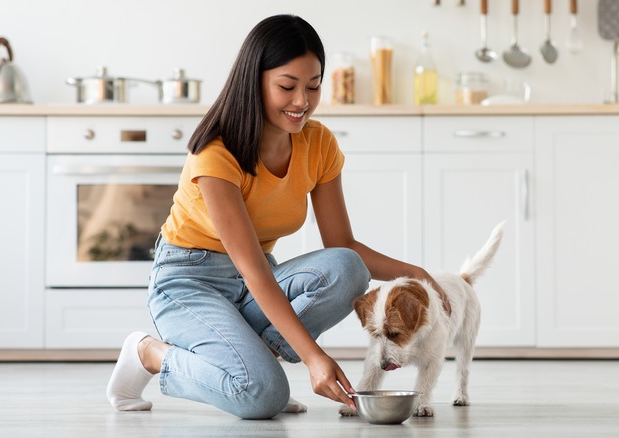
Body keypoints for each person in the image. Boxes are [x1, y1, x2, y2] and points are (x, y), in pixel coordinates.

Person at [106, 14, 443, 420]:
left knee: (347, 268)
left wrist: (420, 275)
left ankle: (254, 362)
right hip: (188, 282)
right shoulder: (216, 152)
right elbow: (256, 274)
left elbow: (343, 246)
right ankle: (150, 354)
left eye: (313, 86)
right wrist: (315, 358)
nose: (302, 101)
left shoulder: (317, 144)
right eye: (287, 86)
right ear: (255, 80)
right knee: (261, 396)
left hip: (253, 283)